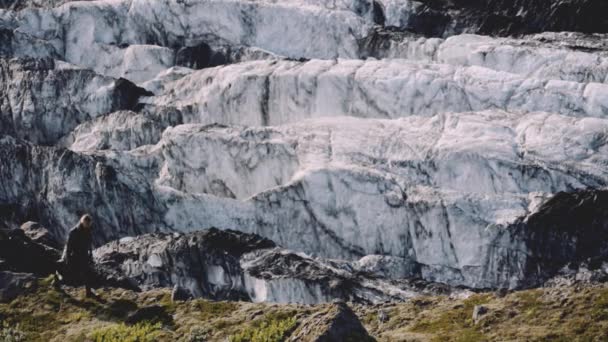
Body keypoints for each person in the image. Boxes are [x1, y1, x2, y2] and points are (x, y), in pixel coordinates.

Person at [54, 214, 96, 298]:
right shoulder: (74, 232)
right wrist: (68, 258)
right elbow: (68, 246)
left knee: (87, 273)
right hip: (74, 256)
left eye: (89, 223)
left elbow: (89, 243)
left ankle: (88, 292)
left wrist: (90, 255)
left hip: (84, 255)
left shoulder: (88, 231)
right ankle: (56, 282)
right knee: (70, 275)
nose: (88, 225)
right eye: (86, 223)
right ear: (82, 222)